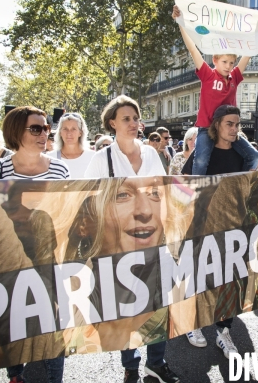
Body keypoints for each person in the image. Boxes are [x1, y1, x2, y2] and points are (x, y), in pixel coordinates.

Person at [85, 95, 179, 383]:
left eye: (136, 118)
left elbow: (163, 194)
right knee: (126, 306)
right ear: (112, 122)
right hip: (119, 247)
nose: (133, 124)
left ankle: (157, 362)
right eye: (126, 118)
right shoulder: (102, 159)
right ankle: (131, 365)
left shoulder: (152, 154)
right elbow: (88, 199)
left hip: (154, 242)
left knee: (157, 306)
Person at [0, 106, 69, 383]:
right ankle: (16, 374)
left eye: (46, 128)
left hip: (50, 260)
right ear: (16, 132)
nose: (44, 133)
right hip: (9, 261)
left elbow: (69, 214)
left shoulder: (59, 169)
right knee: (15, 319)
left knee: (52, 324)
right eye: (36, 128)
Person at [180, 105, 251, 357]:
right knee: (199, 275)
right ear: (217, 125)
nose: (234, 129)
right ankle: (193, 324)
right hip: (202, 224)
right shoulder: (202, 154)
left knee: (232, 279)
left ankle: (224, 333)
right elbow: (183, 186)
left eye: (237, 124)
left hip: (233, 224)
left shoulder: (244, 155)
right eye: (229, 124)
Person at [172, 5, 258, 176]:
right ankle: (200, 192)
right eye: (225, 62)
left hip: (229, 129)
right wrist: (180, 23)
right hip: (207, 127)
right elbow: (193, 50)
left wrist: (257, 29)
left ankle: (237, 181)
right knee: (200, 162)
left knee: (254, 155)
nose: (229, 66)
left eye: (231, 63)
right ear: (215, 60)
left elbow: (248, 54)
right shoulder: (208, 75)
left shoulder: (234, 77)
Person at [47, 112, 95, 179]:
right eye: (65, 129)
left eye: (73, 129)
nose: (69, 133)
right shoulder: (49, 158)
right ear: (60, 132)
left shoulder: (93, 157)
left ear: (80, 133)